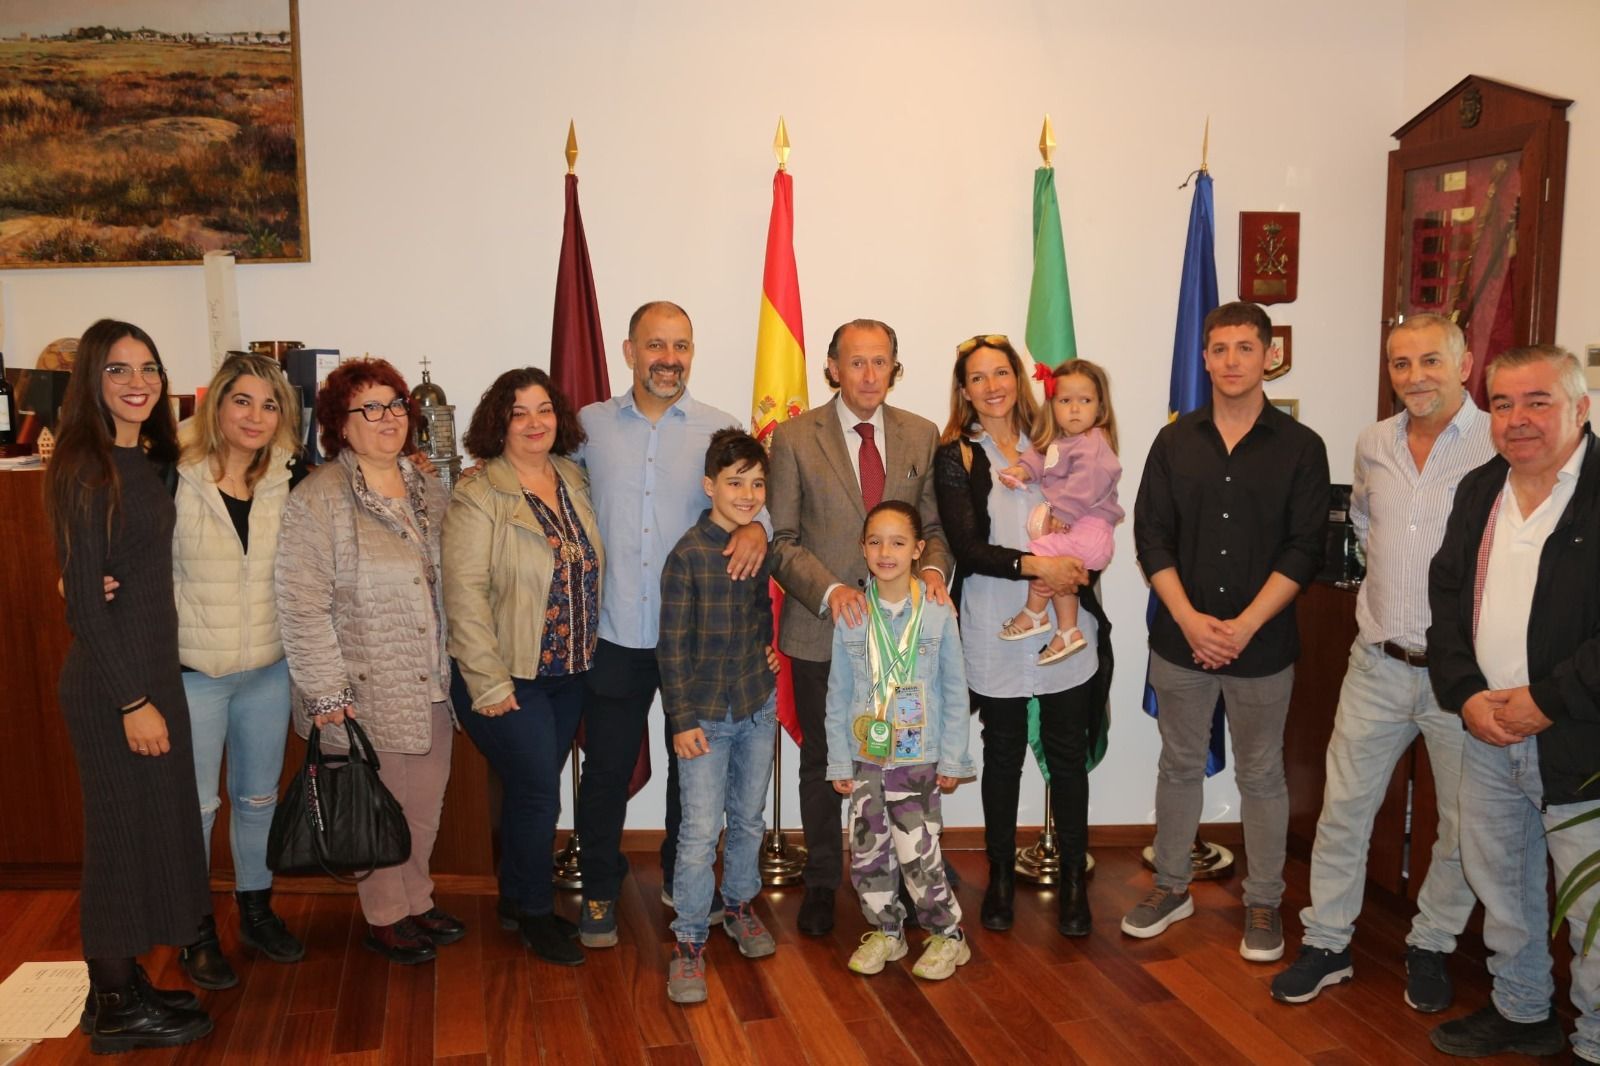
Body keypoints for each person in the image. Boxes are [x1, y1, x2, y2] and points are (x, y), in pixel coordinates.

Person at [1270, 314, 1489, 1010]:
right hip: (1378, 660)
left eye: (1430, 361)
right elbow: (1365, 524)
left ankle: (1430, 944)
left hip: (1464, 676)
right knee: (1344, 810)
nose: (1415, 376)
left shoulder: (1497, 443)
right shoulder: (1373, 442)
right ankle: (1328, 942)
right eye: (1401, 364)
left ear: (1465, 363)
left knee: (1460, 824)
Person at [1125, 301, 1329, 962]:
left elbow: (1304, 549)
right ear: (1204, 358)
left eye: (1246, 347)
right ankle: (1172, 888)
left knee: (1263, 774)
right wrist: (1187, 618)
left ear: (1269, 355)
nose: (1233, 360)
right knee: (1179, 764)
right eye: (1220, 349)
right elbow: (1150, 536)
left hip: (1262, 644)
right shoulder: (1174, 441)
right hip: (1180, 638)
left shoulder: (1301, 447)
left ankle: (1264, 900)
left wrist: (1242, 626)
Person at [1425, 344, 1600, 1061]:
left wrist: (1547, 701)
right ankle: (1524, 1009)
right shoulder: (1479, 490)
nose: (1518, 420)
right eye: (1503, 404)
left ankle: (1594, 1038)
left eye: (1538, 402)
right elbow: (1444, 602)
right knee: (1502, 882)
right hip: (1487, 729)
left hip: (1581, 739)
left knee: (1592, 908)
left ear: (1581, 408)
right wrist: (1466, 695)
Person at [572, 301, 764, 950]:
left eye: (681, 346)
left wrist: (760, 536)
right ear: (628, 351)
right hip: (618, 632)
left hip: (701, 641)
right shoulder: (589, 426)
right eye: (656, 345)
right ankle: (599, 887)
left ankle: (685, 889)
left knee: (695, 772)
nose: (669, 359)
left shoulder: (720, 427)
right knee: (605, 771)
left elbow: (749, 506)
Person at [46, 318, 214, 1054]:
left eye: (148, 366)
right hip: (117, 688)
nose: (138, 381)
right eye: (118, 370)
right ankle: (114, 1003)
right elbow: (84, 602)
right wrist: (132, 702)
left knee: (147, 833)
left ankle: (119, 983)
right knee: (117, 843)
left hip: (149, 673)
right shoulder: (87, 467)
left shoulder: (141, 459)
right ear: (92, 380)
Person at [276, 357, 463, 965]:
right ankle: (386, 916)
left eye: (395, 405)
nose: (388, 418)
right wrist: (326, 696)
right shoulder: (319, 498)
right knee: (375, 810)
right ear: (340, 424)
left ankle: (417, 897)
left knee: (424, 808)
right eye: (370, 408)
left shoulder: (428, 488)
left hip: (432, 679)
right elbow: (301, 605)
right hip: (362, 686)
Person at [769, 318, 953, 936]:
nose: (869, 375)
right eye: (856, 363)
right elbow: (782, 539)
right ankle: (823, 882)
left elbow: (934, 529)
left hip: (904, 637)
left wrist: (931, 571)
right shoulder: (794, 438)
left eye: (881, 363)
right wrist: (832, 590)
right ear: (831, 367)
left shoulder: (921, 434)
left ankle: (907, 879)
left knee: (905, 757)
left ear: (894, 368)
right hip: (826, 630)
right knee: (829, 758)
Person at [932, 335, 1110, 937]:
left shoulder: (1059, 438)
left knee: (1068, 758)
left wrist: (1081, 559)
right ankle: (1002, 878)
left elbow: (1098, 505)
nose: (992, 386)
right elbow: (967, 548)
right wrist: (1037, 567)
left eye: (1000, 373)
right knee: (1002, 756)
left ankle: (1071, 887)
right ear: (964, 390)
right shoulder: (956, 454)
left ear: (1019, 379)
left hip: (1065, 624)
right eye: (977, 378)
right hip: (994, 621)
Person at [443, 367, 599, 967]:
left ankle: (514, 897)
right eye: (519, 413)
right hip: (508, 675)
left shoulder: (573, 479)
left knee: (531, 789)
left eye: (544, 410)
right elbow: (463, 594)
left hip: (571, 672)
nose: (534, 423)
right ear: (498, 424)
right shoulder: (478, 494)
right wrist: (487, 682)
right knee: (538, 793)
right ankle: (535, 915)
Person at [171, 352, 309, 990]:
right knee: (195, 809)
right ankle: (194, 929)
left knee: (257, 799)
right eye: (242, 401)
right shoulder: (172, 475)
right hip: (195, 672)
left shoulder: (289, 475)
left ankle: (255, 907)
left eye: (270, 404)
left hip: (266, 670)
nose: (256, 416)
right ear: (216, 406)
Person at [659, 429, 784, 1004]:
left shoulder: (756, 549)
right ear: (710, 485)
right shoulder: (687, 555)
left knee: (749, 819)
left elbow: (759, 611)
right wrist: (682, 721)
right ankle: (688, 940)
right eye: (735, 482)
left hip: (757, 706)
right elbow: (672, 648)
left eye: (757, 483)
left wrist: (764, 650)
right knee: (699, 832)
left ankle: (738, 905)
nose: (748, 492)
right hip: (705, 718)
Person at [824, 501, 974, 979]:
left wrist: (953, 757)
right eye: (875, 541)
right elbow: (837, 693)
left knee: (918, 852)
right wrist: (839, 765)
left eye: (898, 541)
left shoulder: (935, 613)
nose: (885, 551)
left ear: (918, 550)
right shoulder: (851, 614)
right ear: (862, 548)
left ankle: (947, 935)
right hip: (866, 756)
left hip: (919, 757)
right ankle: (887, 932)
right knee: (869, 854)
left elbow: (954, 689)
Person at [998, 358, 1123, 666]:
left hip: (1090, 528)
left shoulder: (1094, 443)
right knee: (1056, 567)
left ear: (1100, 406)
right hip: (1081, 529)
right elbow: (1041, 457)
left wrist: (1063, 514)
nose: (1076, 409)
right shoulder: (1062, 442)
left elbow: (1087, 481)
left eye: (1085, 400)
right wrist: (1024, 471)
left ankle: (1035, 612)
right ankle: (1067, 629)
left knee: (1043, 559)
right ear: (1052, 405)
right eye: (1066, 401)